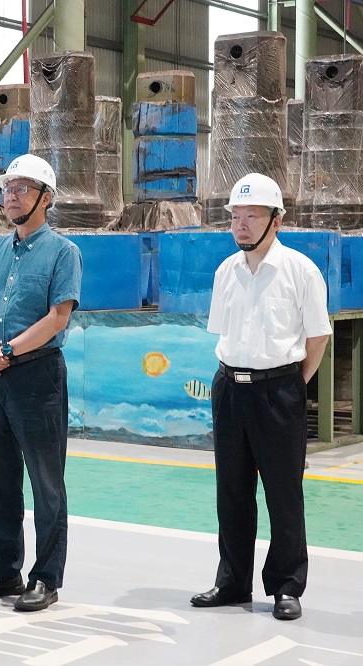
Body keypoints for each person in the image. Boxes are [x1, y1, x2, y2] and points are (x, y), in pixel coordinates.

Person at [191, 173, 331, 622]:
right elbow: (224, 332)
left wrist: (292, 386)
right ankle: (232, 581)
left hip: (279, 391)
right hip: (230, 389)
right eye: (236, 216)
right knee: (231, 491)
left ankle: (287, 586)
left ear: (276, 220)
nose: (241, 225)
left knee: (283, 493)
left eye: (252, 216)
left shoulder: (300, 271)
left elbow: (318, 337)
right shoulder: (226, 272)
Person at [0, 155, 82, 612]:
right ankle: (4, 571)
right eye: (7, 189)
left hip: (36, 376)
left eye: (21, 189)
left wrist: (6, 352)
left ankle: (46, 578)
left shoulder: (63, 252)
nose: (10, 196)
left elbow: (57, 317)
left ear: (46, 198)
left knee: (46, 483)